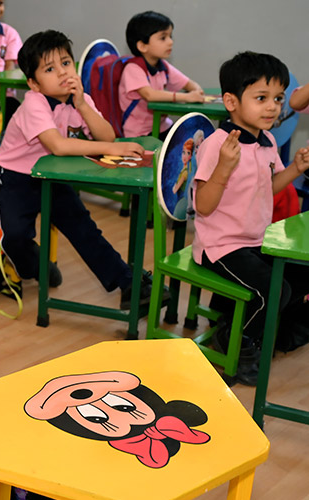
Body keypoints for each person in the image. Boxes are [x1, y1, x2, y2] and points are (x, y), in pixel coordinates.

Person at [0, 30, 157, 310]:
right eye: (49, 69)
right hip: (17, 178)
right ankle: (38, 266)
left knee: (84, 228)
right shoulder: (35, 103)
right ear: (33, 83)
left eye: (66, 63)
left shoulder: (78, 98)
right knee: (15, 236)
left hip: (54, 175)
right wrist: (113, 149)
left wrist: (82, 104)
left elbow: (106, 137)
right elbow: (57, 145)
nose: (62, 73)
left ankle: (127, 282)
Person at [192, 51, 309, 386]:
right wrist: (224, 170)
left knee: (299, 277)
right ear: (231, 101)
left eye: (278, 98)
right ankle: (234, 341)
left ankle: (251, 326)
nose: (272, 107)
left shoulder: (266, 140)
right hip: (220, 246)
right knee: (271, 290)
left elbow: (266, 188)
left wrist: (295, 170)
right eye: (261, 98)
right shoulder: (218, 145)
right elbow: (203, 205)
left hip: (256, 239)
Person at [118, 11, 204, 138]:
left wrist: (196, 91)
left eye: (170, 36)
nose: (170, 42)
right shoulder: (133, 68)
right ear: (142, 46)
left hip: (162, 126)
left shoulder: (163, 66)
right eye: (163, 38)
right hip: (139, 133)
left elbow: (189, 84)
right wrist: (187, 97)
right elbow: (150, 95)